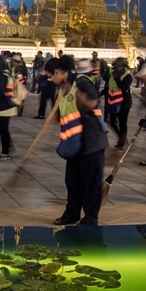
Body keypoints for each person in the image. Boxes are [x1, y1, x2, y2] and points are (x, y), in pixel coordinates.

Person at [52, 55, 108, 226]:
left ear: (58, 72)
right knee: (73, 181)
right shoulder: (62, 89)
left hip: (91, 141)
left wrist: (75, 93)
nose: (51, 79)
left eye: (51, 75)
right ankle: (72, 214)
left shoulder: (81, 82)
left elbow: (93, 103)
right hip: (74, 143)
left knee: (91, 182)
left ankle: (91, 217)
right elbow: (63, 113)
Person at [106, 56, 134, 150]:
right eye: (115, 66)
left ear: (124, 67)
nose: (116, 68)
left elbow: (124, 88)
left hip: (124, 104)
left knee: (122, 123)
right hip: (113, 102)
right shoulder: (112, 74)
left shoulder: (127, 76)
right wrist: (101, 93)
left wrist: (117, 79)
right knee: (112, 121)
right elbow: (109, 86)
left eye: (119, 66)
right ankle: (121, 137)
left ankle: (121, 143)